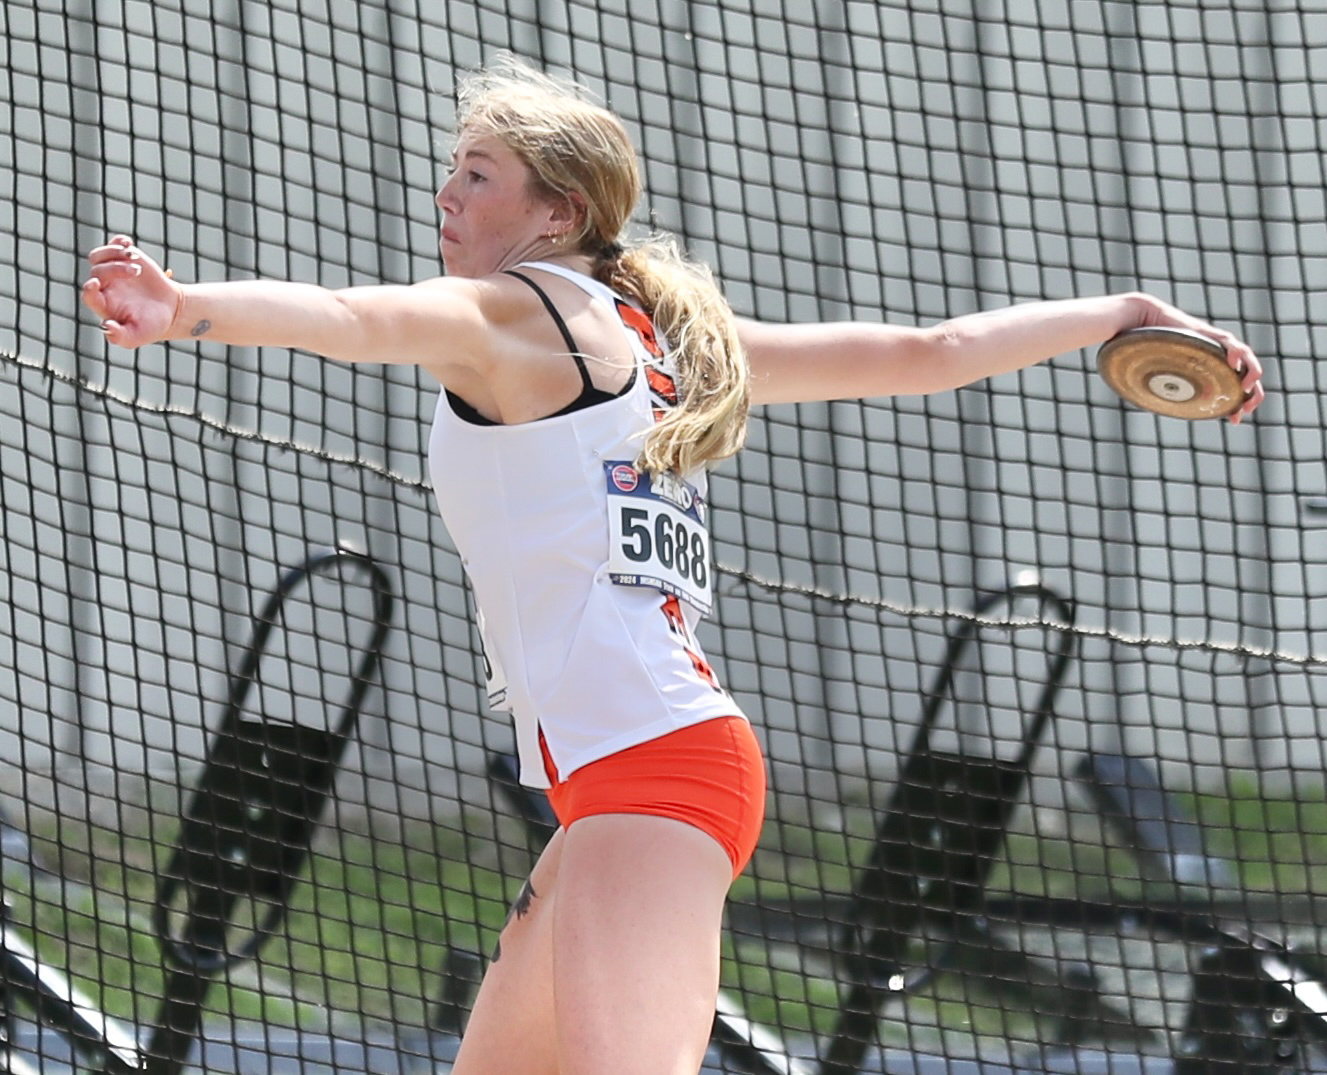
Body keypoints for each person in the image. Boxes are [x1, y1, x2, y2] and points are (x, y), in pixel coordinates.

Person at [82, 53, 1265, 1075]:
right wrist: (1116, 310)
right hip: (634, 779)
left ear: (556, 213)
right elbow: (929, 351)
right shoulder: (664, 340)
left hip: (652, 777)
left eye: (478, 174)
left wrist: (185, 309)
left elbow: (353, 320)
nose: (447, 192)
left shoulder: (517, 316)